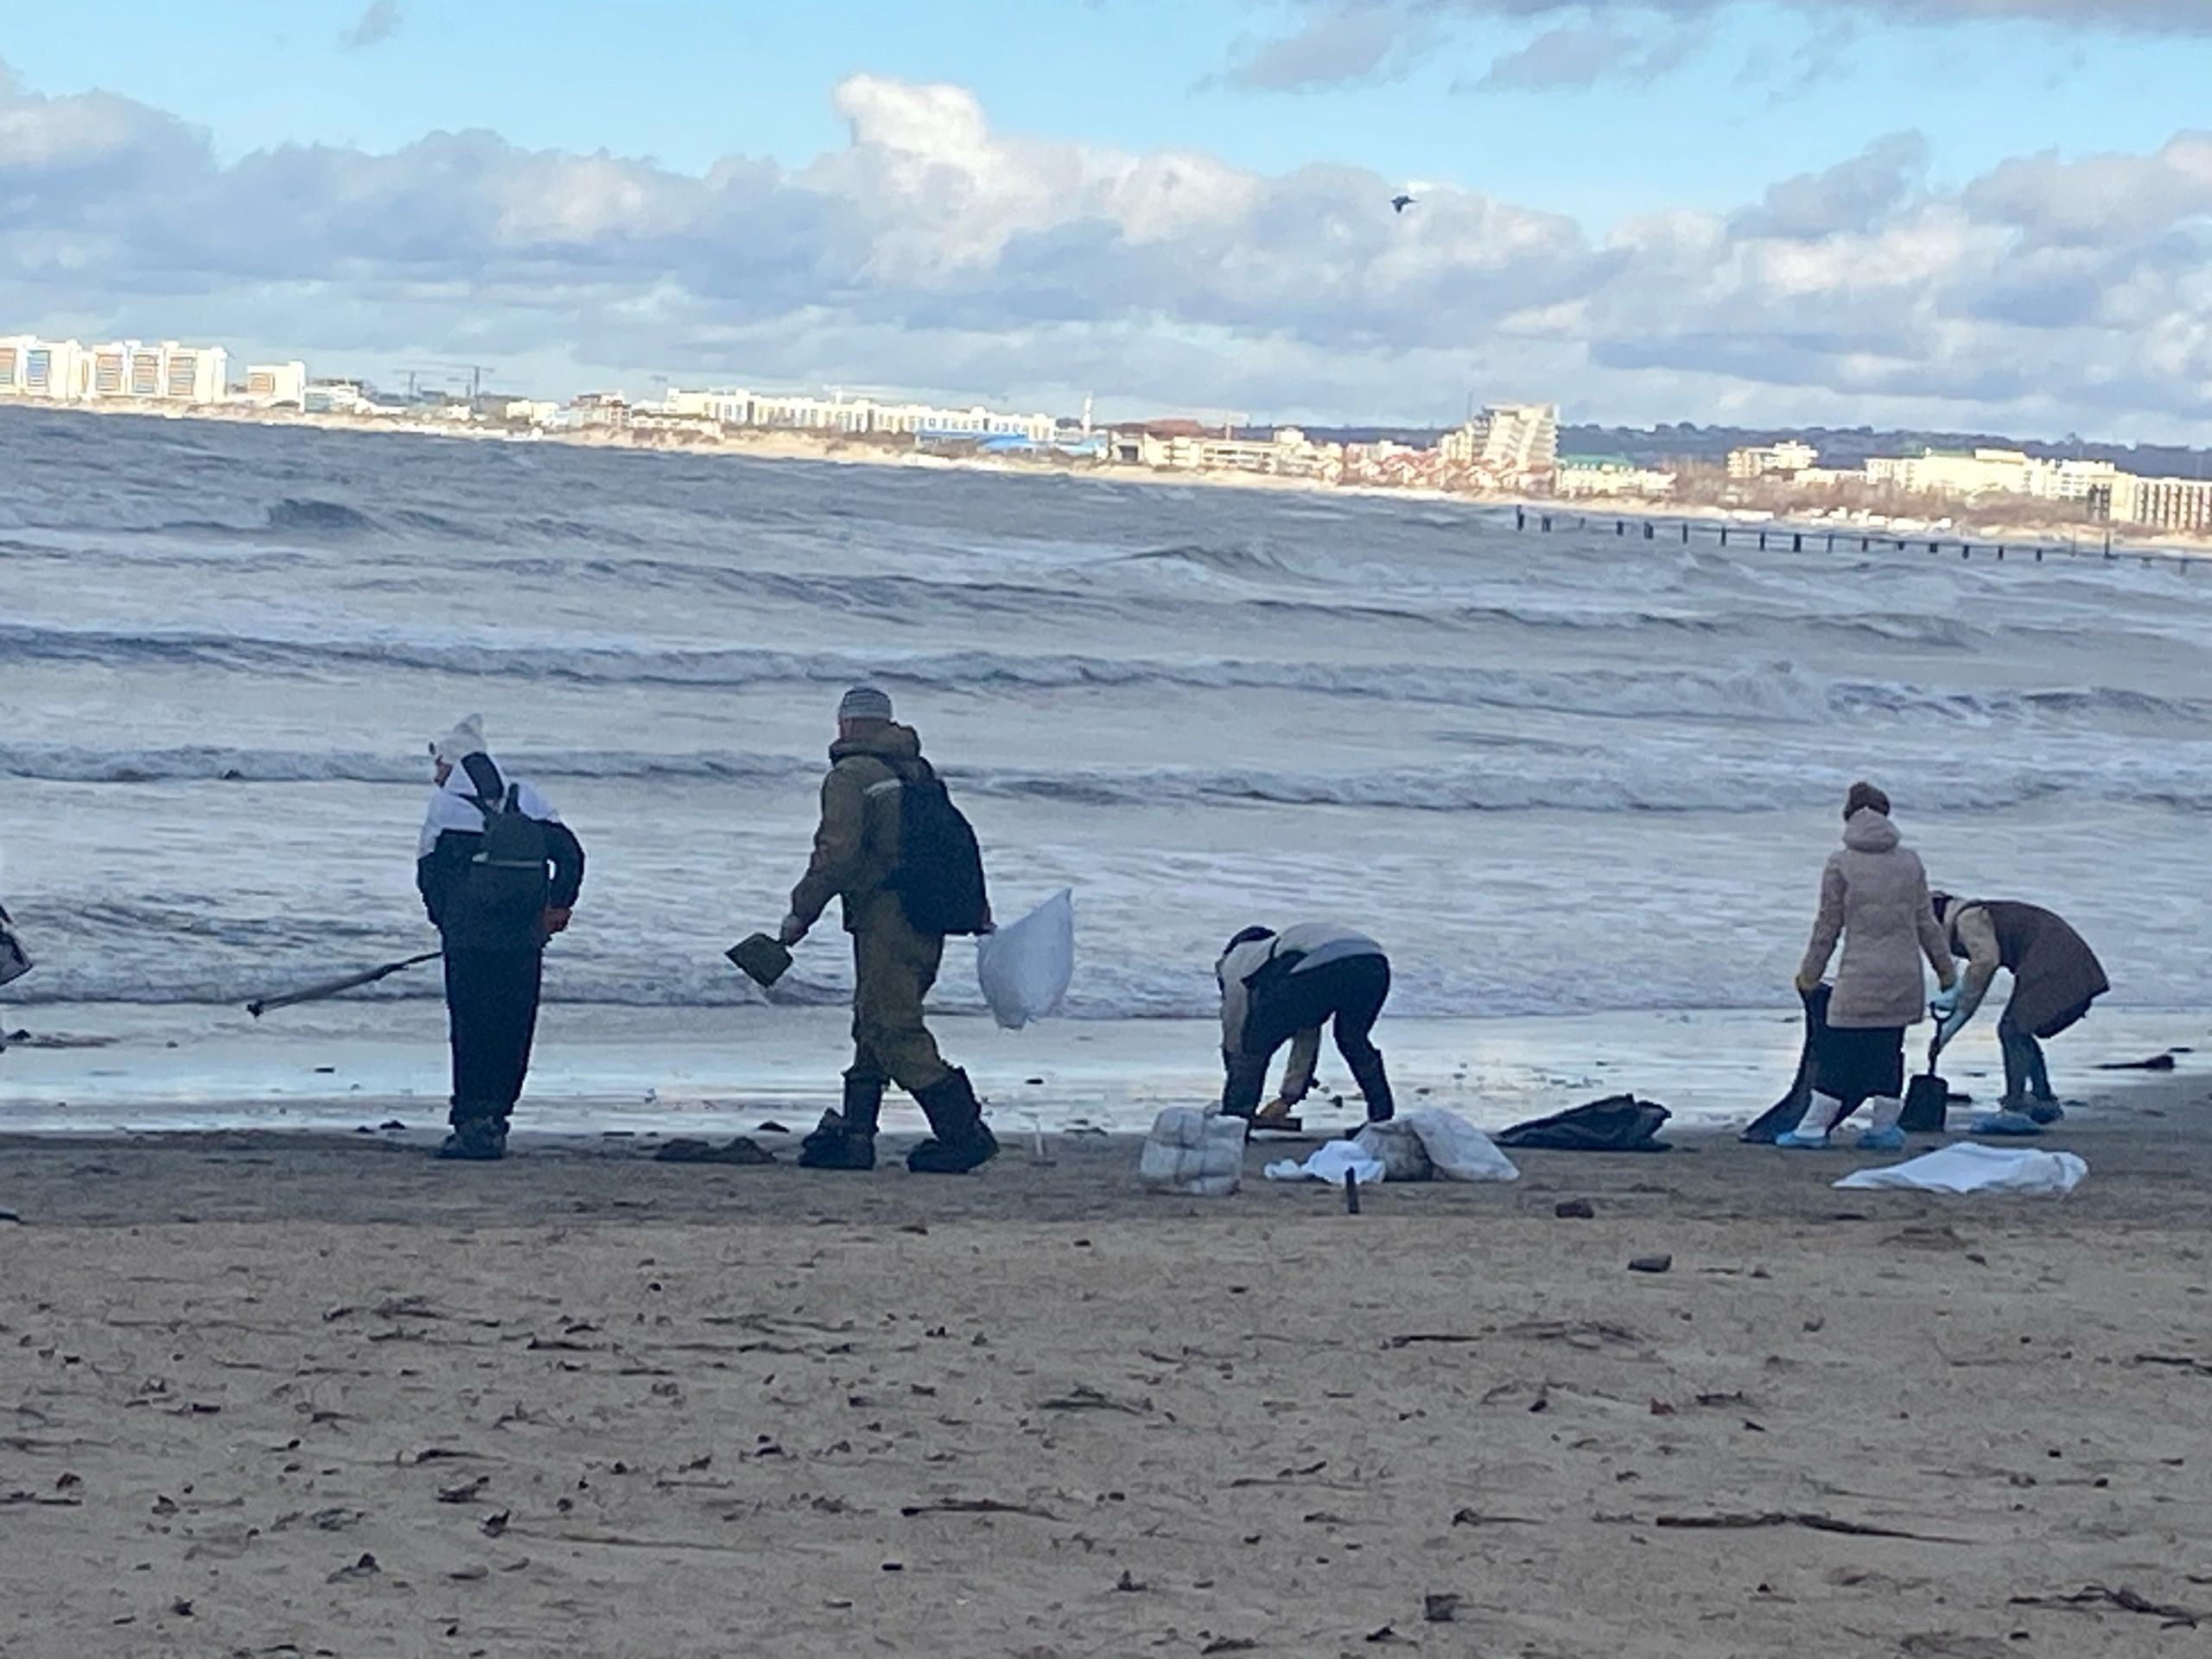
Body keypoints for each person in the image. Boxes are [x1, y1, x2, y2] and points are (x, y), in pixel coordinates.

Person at [779, 687, 998, 1175]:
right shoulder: (915, 772)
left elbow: (836, 854)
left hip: (886, 917)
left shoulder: (851, 775)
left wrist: (801, 912)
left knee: (891, 1027)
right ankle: (857, 1139)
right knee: (873, 1022)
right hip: (927, 915)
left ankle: (964, 1135)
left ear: (848, 724)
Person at [416, 715, 585, 1161]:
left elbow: (429, 875)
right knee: (514, 1029)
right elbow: (570, 854)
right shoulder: (526, 799)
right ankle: (498, 1121)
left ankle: (470, 1122)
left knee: (471, 1028)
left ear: (452, 766)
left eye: (439, 765)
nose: (436, 775)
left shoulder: (445, 810)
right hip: (524, 941)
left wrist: (447, 924)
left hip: (469, 944)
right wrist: (558, 907)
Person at [1781, 782, 1956, 1151]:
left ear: (1848, 815)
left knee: (1838, 1052)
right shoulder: (1910, 862)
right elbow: (1927, 923)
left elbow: (1827, 926)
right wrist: (1946, 973)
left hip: (1859, 976)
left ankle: (1812, 1129)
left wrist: (1809, 973)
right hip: (1904, 977)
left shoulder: (1841, 863)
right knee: (1889, 1052)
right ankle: (1883, 1130)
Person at [1929, 894, 2108, 1122]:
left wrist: (1954, 1005)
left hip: (2055, 961)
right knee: (2020, 1028)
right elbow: (1974, 990)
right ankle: (2043, 1099)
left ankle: (2016, 1106)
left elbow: (1985, 963)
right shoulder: (1974, 916)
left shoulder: (1968, 919)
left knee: (2012, 1029)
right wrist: (1944, 1036)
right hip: (2066, 959)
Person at [1217, 923, 1395, 1124]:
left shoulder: (1234, 962)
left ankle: (1235, 1121)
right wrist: (1288, 1099)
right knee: (1353, 1040)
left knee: (1254, 1044)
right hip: (1373, 962)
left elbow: (1236, 1034)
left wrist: (1236, 1078)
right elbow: (1307, 1027)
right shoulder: (1280, 951)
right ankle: (1382, 1117)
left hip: (1320, 964)